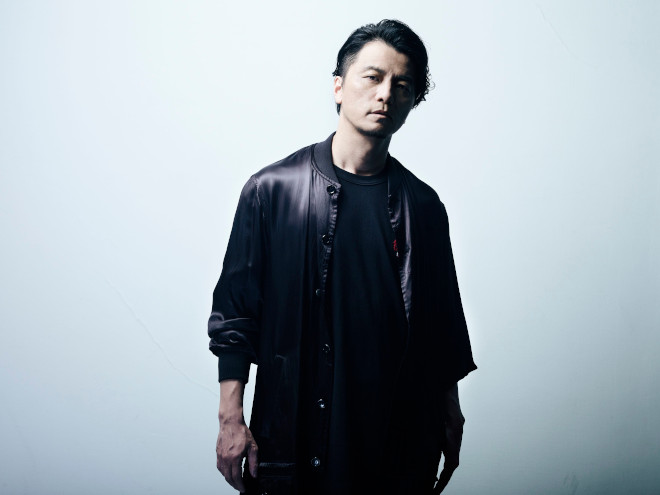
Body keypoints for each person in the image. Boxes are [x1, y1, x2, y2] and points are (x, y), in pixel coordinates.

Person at [208, 19, 477, 495]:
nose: (385, 94)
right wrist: (231, 417)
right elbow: (235, 312)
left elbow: (442, 326)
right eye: (373, 77)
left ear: (413, 102)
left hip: (396, 441)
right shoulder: (271, 191)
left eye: (402, 85)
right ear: (338, 86)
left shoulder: (424, 207)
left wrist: (450, 410)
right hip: (295, 436)